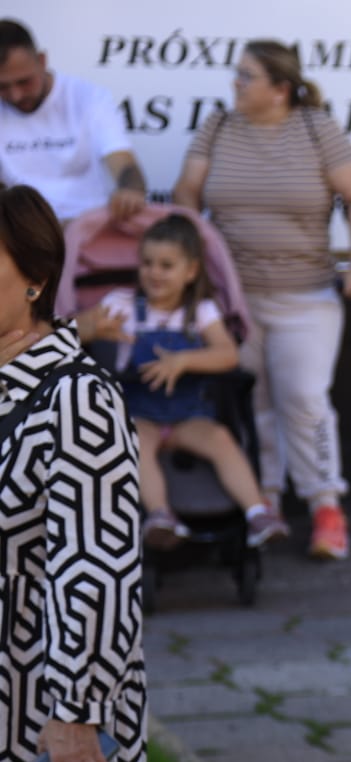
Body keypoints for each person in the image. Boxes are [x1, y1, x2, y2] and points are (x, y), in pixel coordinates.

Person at [0, 184, 163, 762]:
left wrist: (72, 717)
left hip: (43, 714)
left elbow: (96, 572)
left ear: (33, 277)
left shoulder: (76, 400)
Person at [172, 39, 351, 561]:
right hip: (235, 296)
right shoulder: (218, 127)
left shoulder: (315, 128)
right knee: (253, 398)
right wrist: (200, 258)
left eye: (246, 76)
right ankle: (267, 498)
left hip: (306, 295)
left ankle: (326, 504)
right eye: (236, 74)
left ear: (280, 88)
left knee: (304, 399)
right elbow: (186, 192)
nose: (235, 84)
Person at [92, 213, 289, 550]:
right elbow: (84, 327)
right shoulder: (121, 305)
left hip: (188, 416)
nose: (154, 272)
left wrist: (183, 361)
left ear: (191, 271)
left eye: (166, 265)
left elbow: (228, 355)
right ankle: (160, 515)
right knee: (134, 443)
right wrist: (99, 331)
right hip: (141, 414)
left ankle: (258, 512)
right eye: (147, 263)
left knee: (223, 440)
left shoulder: (200, 311)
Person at [0, 20, 147, 223]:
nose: (15, 95)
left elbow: (121, 158)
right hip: (19, 233)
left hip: (86, 227)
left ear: (42, 61)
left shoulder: (89, 97)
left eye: (24, 82)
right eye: (2, 87)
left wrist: (130, 190)